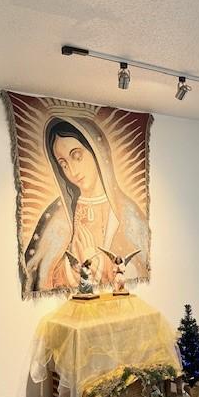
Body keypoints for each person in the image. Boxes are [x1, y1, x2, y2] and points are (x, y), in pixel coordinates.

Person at [24, 117, 149, 293]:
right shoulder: (59, 214)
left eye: (77, 156)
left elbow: (142, 271)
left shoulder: (127, 212)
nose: (73, 172)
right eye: (64, 164)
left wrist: (96, 262)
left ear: (97, 151)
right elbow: (40, 277)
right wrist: (76, 269)